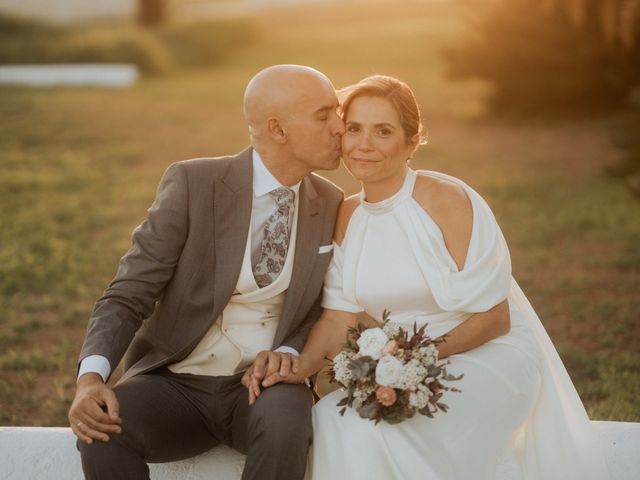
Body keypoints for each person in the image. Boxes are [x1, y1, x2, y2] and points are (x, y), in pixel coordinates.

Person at [249, 75, 612, 479]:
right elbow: (337, 320)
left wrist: (413, 361)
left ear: (411, 141)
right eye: (354, 129)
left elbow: (495, 319)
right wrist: (299, 367)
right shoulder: (346, 216)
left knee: (377, 429)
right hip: (400, 365)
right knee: (332, 420)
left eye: (383, 131)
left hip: (489, 357)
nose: (363, 144)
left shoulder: (447, 200)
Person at [67, 64, 345, 480]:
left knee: (287, 422)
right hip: (175, 381)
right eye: (324, 116)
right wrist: (91, 379)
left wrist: (287, 355)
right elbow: (129, 293)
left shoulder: (333, 202)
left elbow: (320, 307)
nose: (340, 126)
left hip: (262, 386)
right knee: (103, 431)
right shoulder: (196, 183)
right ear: (278, 129)